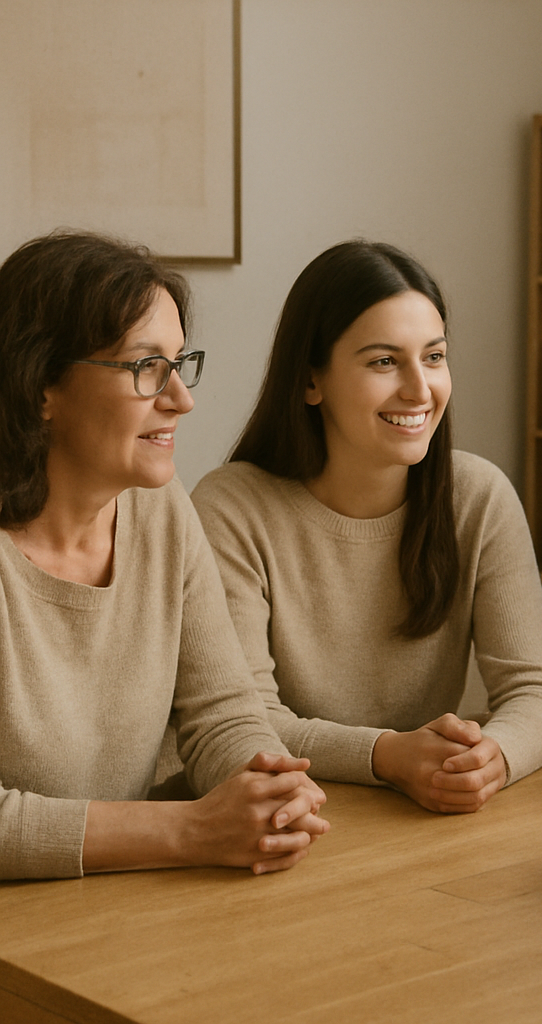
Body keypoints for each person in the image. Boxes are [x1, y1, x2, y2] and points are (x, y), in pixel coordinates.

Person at [191, 240, 542, 814]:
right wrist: (387, 756)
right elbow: (244, 720)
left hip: (414, 819)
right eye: (384, 361)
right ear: (311, 381)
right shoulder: (233, 508)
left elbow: (538, 688)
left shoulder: (478, 495)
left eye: (435, 357)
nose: (420, 389)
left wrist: (492, 755)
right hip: (284, 813)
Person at [0, 231, 328, 881]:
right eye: (147, 367)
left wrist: (267, 783)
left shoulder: (159, 506)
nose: (181, 399)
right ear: (42, 385)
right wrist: (189, 830)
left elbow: (223, 712)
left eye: (180, 364)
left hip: (127, 907)